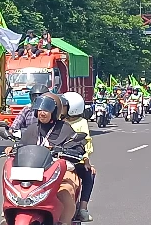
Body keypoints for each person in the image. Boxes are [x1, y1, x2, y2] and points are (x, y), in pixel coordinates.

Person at [4, 95, 85, 225]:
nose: (42, 112)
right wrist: (12, 149)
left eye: (47, 109)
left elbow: (78, 146)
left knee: (66, 191)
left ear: (55, 111)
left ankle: (65, 221)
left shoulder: (64, 128)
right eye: (40, 109)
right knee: (14, 191)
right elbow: (21, 146)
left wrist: (66, 151)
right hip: (32, 173)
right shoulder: (32, 129)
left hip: (59, 172)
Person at [62, 92, 95, 222]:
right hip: (56, 159)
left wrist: (86, 160)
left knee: (89, 175)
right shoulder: (58, 120)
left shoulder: (82, 123)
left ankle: (83, 208)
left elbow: (86, 143)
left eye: (64, 106)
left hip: (75, 159)